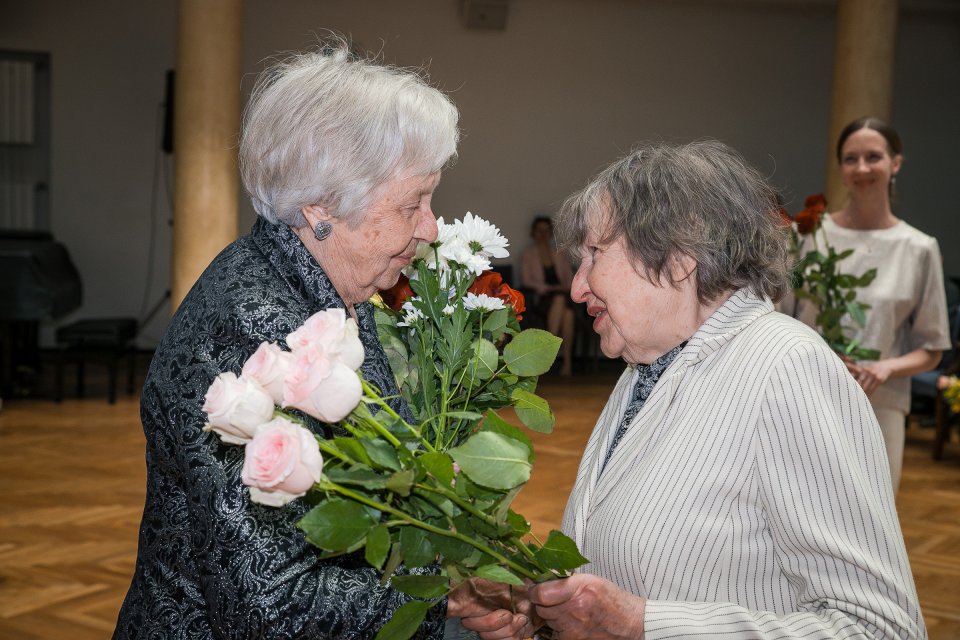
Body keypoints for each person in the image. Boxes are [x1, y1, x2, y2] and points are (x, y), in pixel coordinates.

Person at [113, 42, 515, 639]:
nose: (430, 228)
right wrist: (444, 599)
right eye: (413, 203)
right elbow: (271, 606)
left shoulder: (318, 290)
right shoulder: (256, 334)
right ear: (322, 207)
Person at [462, 140, 926, 639]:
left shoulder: (787, 368)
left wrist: (644, 626)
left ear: (679, 255)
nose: (577, 287)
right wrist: (540, 609)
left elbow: (881, 629)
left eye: (594, 253)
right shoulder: (648, 366)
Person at [791, 116, 950, 491]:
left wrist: (883, 368)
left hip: (881, 405)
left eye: (873, 157)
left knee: (873, 524)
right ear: (841, 166)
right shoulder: (810, 238)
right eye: (850, 158)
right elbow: (777, 320)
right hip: (806, 398)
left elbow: (932, 348)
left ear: (895, 163)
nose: (861, 168)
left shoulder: (919, 249)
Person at [521, 216, 576, 375]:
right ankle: (562, 361)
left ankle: (554, 358)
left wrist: (560, 287)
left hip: (562, 295)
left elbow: (570, 280)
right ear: (533, 233)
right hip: (541, 299)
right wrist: (544, 287)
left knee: (568, 312)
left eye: (546, 230)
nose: (543, 234)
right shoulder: (528, 254)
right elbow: (526, 280)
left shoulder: (559, 253)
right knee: (565, 309)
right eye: (540, 230)